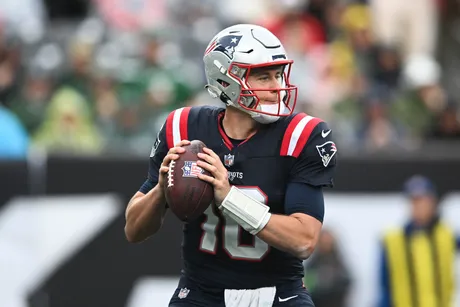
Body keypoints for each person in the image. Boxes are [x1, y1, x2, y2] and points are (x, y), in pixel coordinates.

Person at [124, 24, 338, 307]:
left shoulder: (301, 135)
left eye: (278, 74)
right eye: (263, 77)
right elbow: (133, 230)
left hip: (278, 294)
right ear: (227, 80)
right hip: (201, 295)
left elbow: (304, 240)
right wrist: (161, 191)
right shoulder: (184, 128)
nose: (277, 87)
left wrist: (229, 197)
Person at [378, 175, 460, 307]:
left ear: (433, 202)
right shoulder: (393, 240)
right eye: (414, 201)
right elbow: (385, 287)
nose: (419, 206)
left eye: (423, 200)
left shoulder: (447, 235)